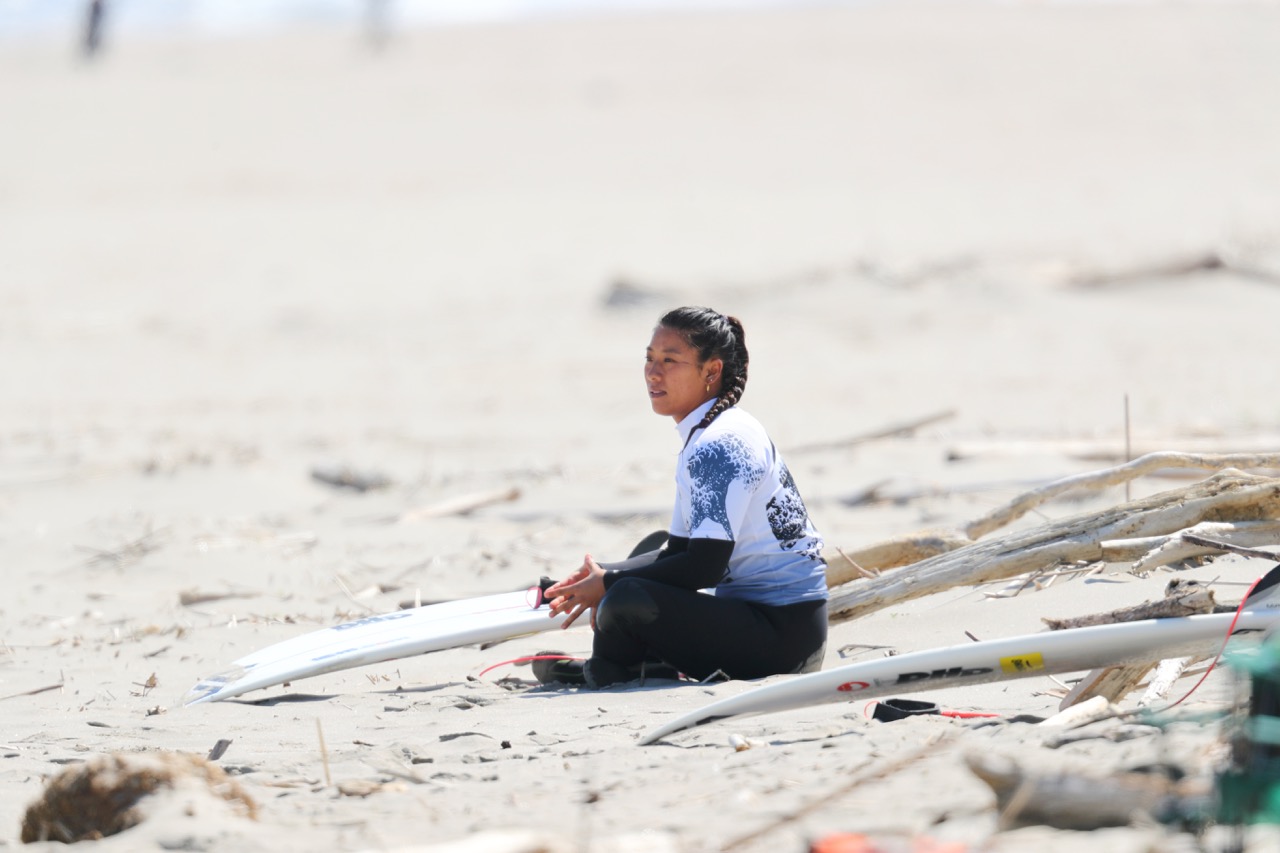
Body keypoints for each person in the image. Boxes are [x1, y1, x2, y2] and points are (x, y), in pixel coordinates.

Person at [539, 306, 828, 688]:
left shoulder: (717, 446)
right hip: (780, 628)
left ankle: (606, 670)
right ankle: (642, 662)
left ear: (711, 371)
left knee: (625, 595)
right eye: (649, 358)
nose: (653, 372)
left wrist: (608, 584)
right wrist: (598, 575)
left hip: (782, 642)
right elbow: (678, 551)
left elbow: (704, 567)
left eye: (670, 361)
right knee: (643, 559)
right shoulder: (717, 429)